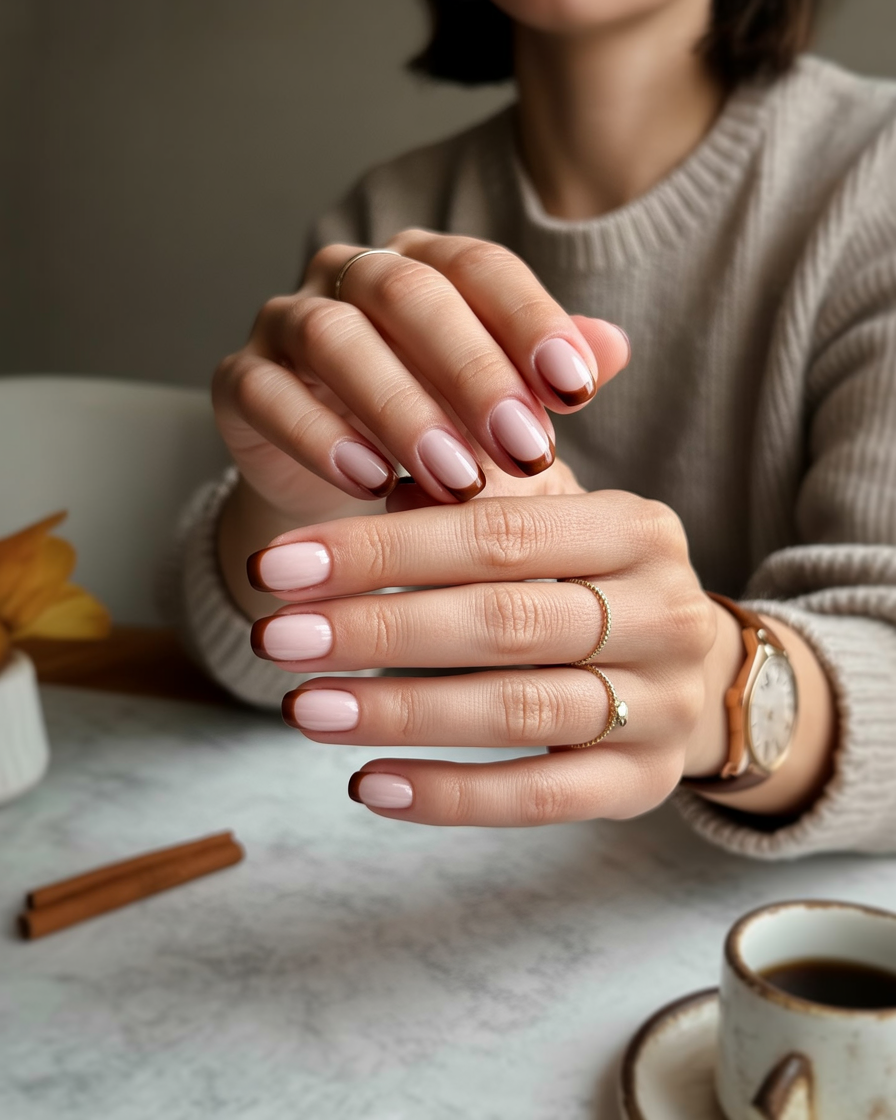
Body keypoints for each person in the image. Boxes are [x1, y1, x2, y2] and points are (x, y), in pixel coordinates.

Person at [173, 0, 896, 857]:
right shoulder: (386, 221)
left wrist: (715, 685)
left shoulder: (874, 177)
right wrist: (291, 514)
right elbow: (268, 672)